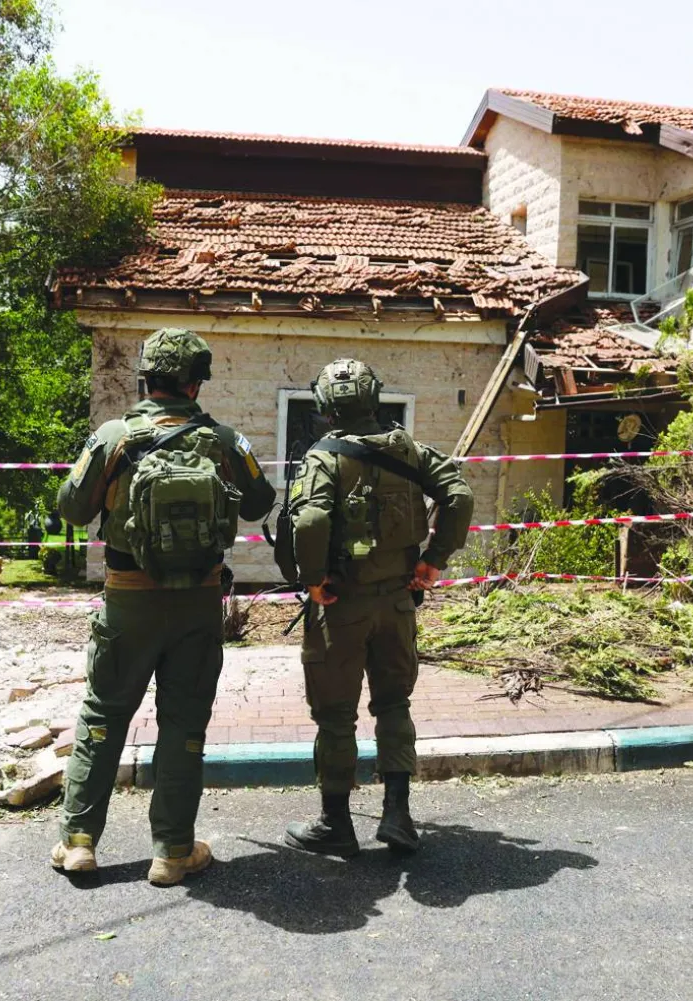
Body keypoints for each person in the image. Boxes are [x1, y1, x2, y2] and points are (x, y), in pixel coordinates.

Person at [52, 327, 276, 885]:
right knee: (183, 723)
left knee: (104, 713)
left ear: (145, 377)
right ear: (196, 383)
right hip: (198, 604)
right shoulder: (225, 440)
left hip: (128, 601)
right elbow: (261, 502)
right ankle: (173, 851)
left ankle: (79, 842)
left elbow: (72, 510)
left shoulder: (111, 437)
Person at [282, 358, 473, 856]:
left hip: (341, 606)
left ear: (325, 409)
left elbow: (308, 523)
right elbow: (458, 495)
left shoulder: (323, 458)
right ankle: (398, 815)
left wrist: (313, 579)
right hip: (398, 603)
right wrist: (433, 561)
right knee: (394, 704)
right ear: (375, 399)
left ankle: (336, 824)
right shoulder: (409, 449)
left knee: (336, 716)